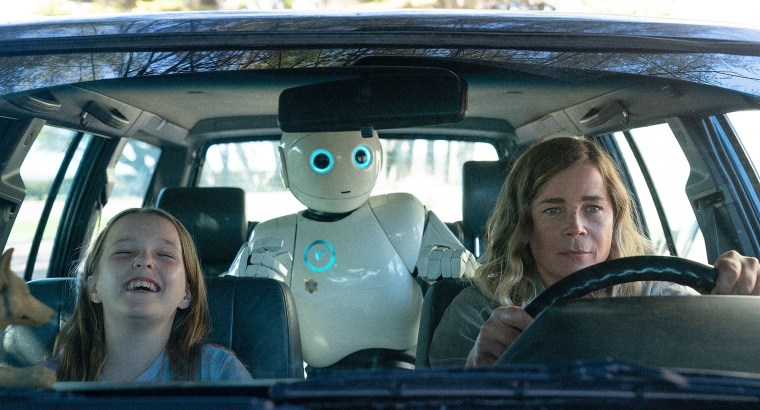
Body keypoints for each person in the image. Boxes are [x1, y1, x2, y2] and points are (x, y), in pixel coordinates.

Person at [429, 136, 760, 368]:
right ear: (525, 224)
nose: (576, 227)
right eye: (553, 210)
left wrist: (743, 299)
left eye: (593, 208)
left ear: (615, 218)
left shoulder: (659, 301)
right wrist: (478, 372)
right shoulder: (477, 314)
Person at [228, 130, 477, 372]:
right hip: (322, 376)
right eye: (322, 161)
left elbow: (475, 279)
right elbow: (224, 304)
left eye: (360, 157)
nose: (343, 172)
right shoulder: (275, 234)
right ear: (285, 164)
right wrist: (248, 280)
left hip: (402, 368)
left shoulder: (403, 215)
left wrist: (455, 264)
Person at [47, 207, 253, 382]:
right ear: (93, 288)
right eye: (124, 252)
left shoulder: (219, 373)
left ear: (186, 294)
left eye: (165, 254)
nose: (144, 261)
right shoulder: (48, 380)